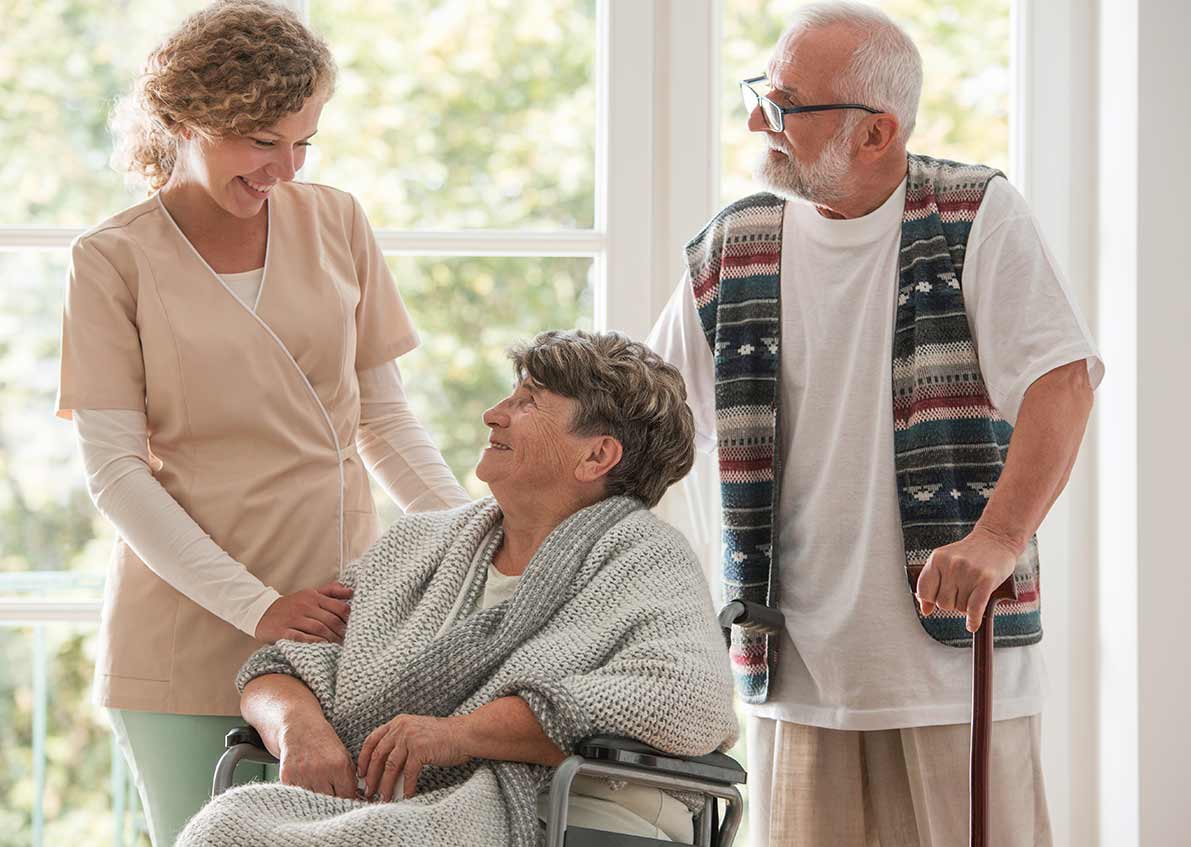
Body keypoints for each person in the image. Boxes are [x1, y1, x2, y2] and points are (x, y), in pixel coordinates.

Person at [647, 3, 1103, 845]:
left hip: (953, 664)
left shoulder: (974, 213)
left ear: (875, 131)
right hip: (791, 666)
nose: (757, 120)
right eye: (762, 94)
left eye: (786, 104)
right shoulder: (733, 244)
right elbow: (646, 421)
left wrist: (999, 539)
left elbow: (1062, 380)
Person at [55, 2, 469, 844]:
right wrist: (257, 606)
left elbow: (384, 421)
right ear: (183, 122)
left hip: (340, 625)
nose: (286, 166)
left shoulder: (339, 221)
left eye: (303, 141)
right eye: (259, 141)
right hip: (188, 629)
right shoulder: (112, 260)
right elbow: (116, 472)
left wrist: (477, 542)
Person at [176, 330, 738, 846]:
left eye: (528, 403)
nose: (494, 414)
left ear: (596, 455)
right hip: (402, 802)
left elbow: (685, 700)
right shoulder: (420, 544)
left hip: (578, 806)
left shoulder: (646, 559)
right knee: (225, 827)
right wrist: (300, 730)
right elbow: (282, 668)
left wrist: (462, 734)